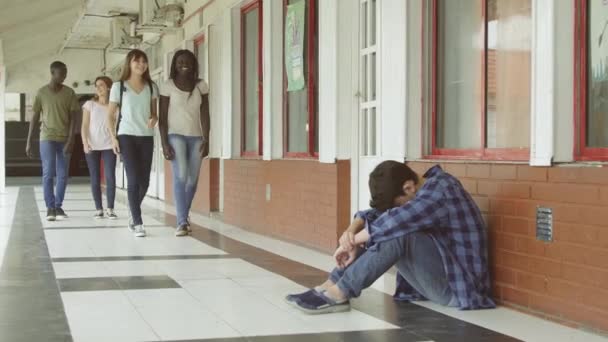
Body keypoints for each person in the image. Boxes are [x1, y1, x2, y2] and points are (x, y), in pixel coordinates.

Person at [286, 161, 496, 314]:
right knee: (382, 227)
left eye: (397, 204)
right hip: (436, 282)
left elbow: (394, 222)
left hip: (459, 288)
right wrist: (350, 233)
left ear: (408, 187)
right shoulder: (418, 191)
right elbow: (376, 216)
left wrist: (354, 242)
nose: (396, 209)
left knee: (397, 233)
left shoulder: (441, 190)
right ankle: (328, 285)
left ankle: (340, 292)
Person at [107, 49, 158, 237]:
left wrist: (154, 119)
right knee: (133, 179)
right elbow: (110, 116)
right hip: (126, 135)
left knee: (145, 181)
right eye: (137, 61)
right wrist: (113, 138)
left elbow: (154, 113)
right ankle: (137, 222)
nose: (141, 64)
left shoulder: (152, 86)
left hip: (146, 136)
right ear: (129, 63)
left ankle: (132, 210)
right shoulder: (118, 86)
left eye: (144, 61)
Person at [159, 49, 210, 236]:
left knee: (193, 180)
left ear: (194, 64)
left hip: (196, 137)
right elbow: (162, 118)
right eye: (180, 61)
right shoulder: (168, 85)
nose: (184, 64)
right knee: (181, 176)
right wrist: (164, 143)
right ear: (175, 64)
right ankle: (181, 222)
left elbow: (205, 114)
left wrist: (207, 139)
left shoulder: (201, 86)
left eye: (187, 61)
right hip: (175, 135)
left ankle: (184, 215)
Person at [26, 61, 80, 221]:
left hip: (64, 139)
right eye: (61, 73)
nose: (64, 76)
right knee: (48, 172)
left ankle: (58, 206)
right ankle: (50, 207)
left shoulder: (69, 93)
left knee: (63, 175)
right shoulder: (41, 93)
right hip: (47, 138)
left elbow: (74, 118)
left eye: (65, 73)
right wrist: (29, 140)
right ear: (52, 72)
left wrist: (71, 139)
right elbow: (34, 117)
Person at [81, 76, 118, 219]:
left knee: (110, 177)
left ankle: (110, 208)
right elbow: (84, 125)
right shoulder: (89, 104)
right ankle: (98, 208)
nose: (98, 88)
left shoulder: (114, 106)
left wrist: (116, 140)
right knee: (95, 177)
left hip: (109, 145)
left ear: (109, 87)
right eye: (96, 85)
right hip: (92, 145)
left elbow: (116, 125)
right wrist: (85, 143)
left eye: (101, 85)